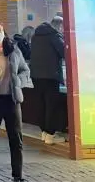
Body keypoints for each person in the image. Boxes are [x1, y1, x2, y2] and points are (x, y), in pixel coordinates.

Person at [0, 20, 31, 182]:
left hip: (12, 99)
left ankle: (18, 175)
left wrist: (17, 82)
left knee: (16, 138)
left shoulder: (13, 49)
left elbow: (25, 70)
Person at [30, 16, 65, 145]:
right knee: (52, 105)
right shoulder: (54, 36)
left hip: (36, 76)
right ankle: (51, 134)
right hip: (51, 76)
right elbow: (65, 52)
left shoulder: (35, 36)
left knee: (41, 104)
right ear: (59, 25)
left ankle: (44, 132)